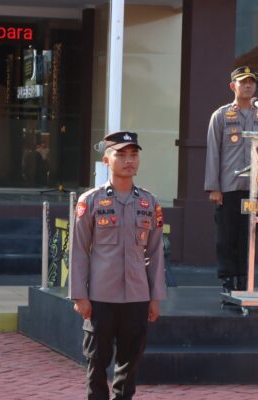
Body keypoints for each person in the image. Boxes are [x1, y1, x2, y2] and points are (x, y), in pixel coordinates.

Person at [70, 131, 167, 400]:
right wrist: (79, 294)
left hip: (137, 296)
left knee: (130, 364)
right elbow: (79, 250)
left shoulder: (150, 203)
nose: (129, 160)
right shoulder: (89, 201)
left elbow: (156, 252)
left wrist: (155, 297)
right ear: (106, 160)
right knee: (97, 364)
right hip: (100, 296)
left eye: (133, 155)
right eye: (121, 155)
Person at [204, 66, 258, 292]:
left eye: (252, 82)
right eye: (243, 82)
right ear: (233, 86)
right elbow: (213, 152)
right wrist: (214, 187)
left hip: (255, 187)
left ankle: (245, 280)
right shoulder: (221, 115)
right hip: (229, 187)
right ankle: (228, 281)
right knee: (227, 235)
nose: (249, 85)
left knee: (249, 236)